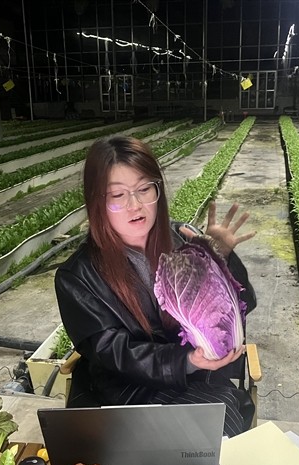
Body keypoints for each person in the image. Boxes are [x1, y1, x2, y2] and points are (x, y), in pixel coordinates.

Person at [54, 135, 257, 436]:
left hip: (196, 382)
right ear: (97, 201)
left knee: (212, 437)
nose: (135, 205)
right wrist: (185, 360)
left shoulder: (185, 242)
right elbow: (115, 353)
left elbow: (241, 308)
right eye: (118, 195)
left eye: (144, 189)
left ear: (157, 190)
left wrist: (221, 259)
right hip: (126, 394)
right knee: (185, 443)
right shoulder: (77, 277)